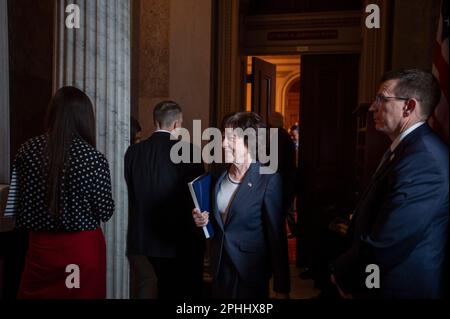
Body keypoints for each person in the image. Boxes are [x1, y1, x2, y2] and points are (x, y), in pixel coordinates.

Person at [330, 69, 449, 299]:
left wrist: (344, 273)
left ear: (409, 106)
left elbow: (389, 240)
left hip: (399, 287)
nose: (373, 107)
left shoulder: (425, 159)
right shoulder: (406, 148)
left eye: (382, 99)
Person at [7, 86, 114, 299]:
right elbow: (105, 211)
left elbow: (14, 205)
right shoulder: (93, 158)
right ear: (85, 118)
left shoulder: (26, 150)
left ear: (53, 113)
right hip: (81, 249)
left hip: (40, 250)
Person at [193, 112, 290, 299]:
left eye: (230, 139)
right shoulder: (219, 175)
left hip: (249, 271)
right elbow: (219, 222)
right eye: (223, 137)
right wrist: (202, 221)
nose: (222, 144)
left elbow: (277, 237)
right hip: (220, 267)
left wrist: (282, 287)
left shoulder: (268, 179)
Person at [125, 101, 205, 299]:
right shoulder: (190, 151)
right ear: (177, 124)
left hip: (142, 241)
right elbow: (198, 198)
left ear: (155, 121)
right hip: (178, 241)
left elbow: (129, 193)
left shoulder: (133, 152)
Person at [127, 116, 158, 299]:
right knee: (148, 279)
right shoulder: (130, 159)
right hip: (130, 232)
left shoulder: (137, 158)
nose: (139, 143)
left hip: (138, 232)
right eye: (137, 139)